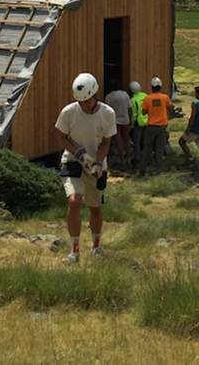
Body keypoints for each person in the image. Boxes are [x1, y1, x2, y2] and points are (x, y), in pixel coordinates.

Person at [54, 72, 116, 264]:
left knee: (95, 207)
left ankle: (96, 246)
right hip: (73, 162)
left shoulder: (107, 114)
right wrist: (78, 152)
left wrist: (97, 162)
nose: (85, 105)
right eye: (81, 102)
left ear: (94, 95)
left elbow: (106, 142)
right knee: (74, 201)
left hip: (96, 165)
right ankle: (75, 250)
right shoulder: (68, 112)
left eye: (88, 101)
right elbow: (62, 136)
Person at [140, 76, 174, 173]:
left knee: (147, 148)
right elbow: (170, 108)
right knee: (159, 148)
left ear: (151, 87)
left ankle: (143, 169)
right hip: (162, 126)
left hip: (151, 126)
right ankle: (158, 169)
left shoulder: (147, 98)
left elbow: (143, 112)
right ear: (160, 86)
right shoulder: (165, 97)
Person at [105, 81, 133, 166]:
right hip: (125, 119)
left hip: (115, 120)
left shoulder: (109, 97)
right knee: (126, 138)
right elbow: (130, 108)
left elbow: (107, 111)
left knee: (118, 139)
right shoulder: (125, 94)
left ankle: (122, 157)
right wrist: (131, 119)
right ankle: (129, 156)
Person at [129, 81, 148, 169]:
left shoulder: (133, 100)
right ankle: (146, 158)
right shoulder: (145, 95)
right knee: (145, 141)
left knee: (137, 142)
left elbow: (134, 114)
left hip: (139, 123)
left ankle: (138, 159)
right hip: (147, 121)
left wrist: (132, 124)